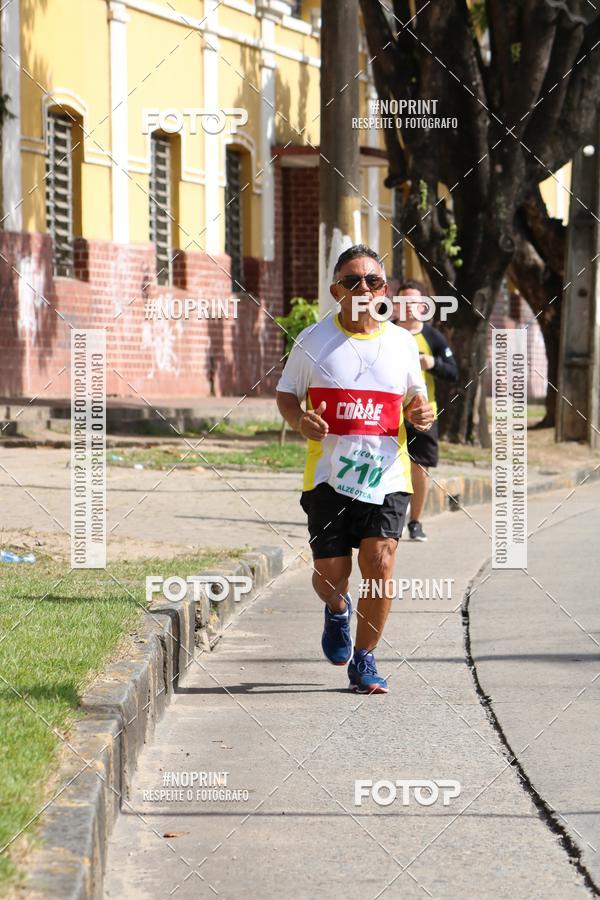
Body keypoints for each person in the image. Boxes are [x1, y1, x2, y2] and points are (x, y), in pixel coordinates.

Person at [276, 245, 434, 694]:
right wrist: (299, 419)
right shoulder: (313, 340)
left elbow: (414, 401)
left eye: (374, 281)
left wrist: (419, 414)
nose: (365, 288)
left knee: (380, 564)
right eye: (353, 281)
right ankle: (337, 608)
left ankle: (365, 660)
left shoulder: (402, 342)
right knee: (331, 574)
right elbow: (287, 395)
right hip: (328, 477)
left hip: (386, 476)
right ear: (335, 291)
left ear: (384, 289)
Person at [393, 279, 459, 541]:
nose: (408, 308)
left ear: (423, 307)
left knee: (420, 468)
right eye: (402, 302)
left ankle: (415, 521)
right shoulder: (385, 332)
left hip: (424, 412)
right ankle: (387, 518)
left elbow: (454, 372)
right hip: (389, 412)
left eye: (413, 303)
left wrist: (433, 363)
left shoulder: (432, 336)